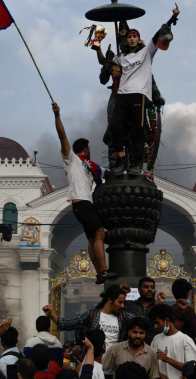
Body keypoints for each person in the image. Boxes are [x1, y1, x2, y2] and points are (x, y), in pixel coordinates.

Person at [107, 4, 180, 175]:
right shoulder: (121, 58)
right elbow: (106, 62)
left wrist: (173, 18)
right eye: (130, 37)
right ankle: (119, 158)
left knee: (137, 130)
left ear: (139, 40)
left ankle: (136, 164)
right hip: (122, 96)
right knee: (116, 127)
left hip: (138, 95)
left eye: (135, 36)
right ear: (126, 41)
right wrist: (98, 47)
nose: (132, 39)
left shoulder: (147, 52)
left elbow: (159, 34)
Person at [52, 101, 117, 284]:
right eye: (89, 149)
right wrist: (57, 115)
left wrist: (117, 157)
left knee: (92, 238)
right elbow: (62, 135)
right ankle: (104, 271)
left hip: (85, 203)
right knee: (100, 234)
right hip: (81, 202)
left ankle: (99, 274)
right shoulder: (71, 159)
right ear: (86, 149)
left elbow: (110, 172)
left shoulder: (92, 167)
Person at [44, 285, 133, 349]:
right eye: (120, 302)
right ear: (110, 300)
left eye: (123, 303)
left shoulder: (123, 317)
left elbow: (142, 322)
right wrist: (51, 315)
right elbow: (67, 324)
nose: (122, 306)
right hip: (95, 365)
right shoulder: (92, 315)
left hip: (115, 366)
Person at [149, 304, 196, 379]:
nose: (155, 326)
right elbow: (152, 365)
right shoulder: (156, 339)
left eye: (157, 323)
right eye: (154, 323)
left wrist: (167, 359)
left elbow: (194, 368)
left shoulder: (185, 340)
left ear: (167, 320)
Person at [122, 278, 167, 345]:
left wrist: (158, 305)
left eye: (152, 287)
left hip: (153, 347)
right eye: (146, 287)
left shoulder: (160, 307)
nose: (149, 289)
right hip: (131, 347)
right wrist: (121, 292)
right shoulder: (130, 306)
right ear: (139, 290)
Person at [169, 279, 196, 345]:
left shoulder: (170, 309)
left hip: (172, 344)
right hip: (187, 345)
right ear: (188, 293)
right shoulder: (188, 310)